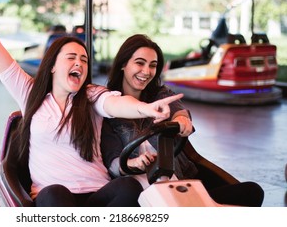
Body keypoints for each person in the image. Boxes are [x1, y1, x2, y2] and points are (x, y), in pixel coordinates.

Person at [0, 0, 184, 207]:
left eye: (84, 60)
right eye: (71, 58)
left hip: (97, 196)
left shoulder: (91, 95)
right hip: (54, 196)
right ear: (53, 65)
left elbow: (118, 104)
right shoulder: (29, 92)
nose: (79, 63)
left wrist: (146, 109)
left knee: (131, 188)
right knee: (55, 193)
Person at [101, 34, 264, 207]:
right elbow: (113, 162)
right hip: (145, 195)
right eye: (139, 63)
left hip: (182, 185)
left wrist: (182, 121)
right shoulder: (108, 106)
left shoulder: (160, 94)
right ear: (123, 64)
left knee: (252, 192)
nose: (146, 71)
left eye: (153, 65)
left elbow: (179, 111)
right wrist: (134, 163)